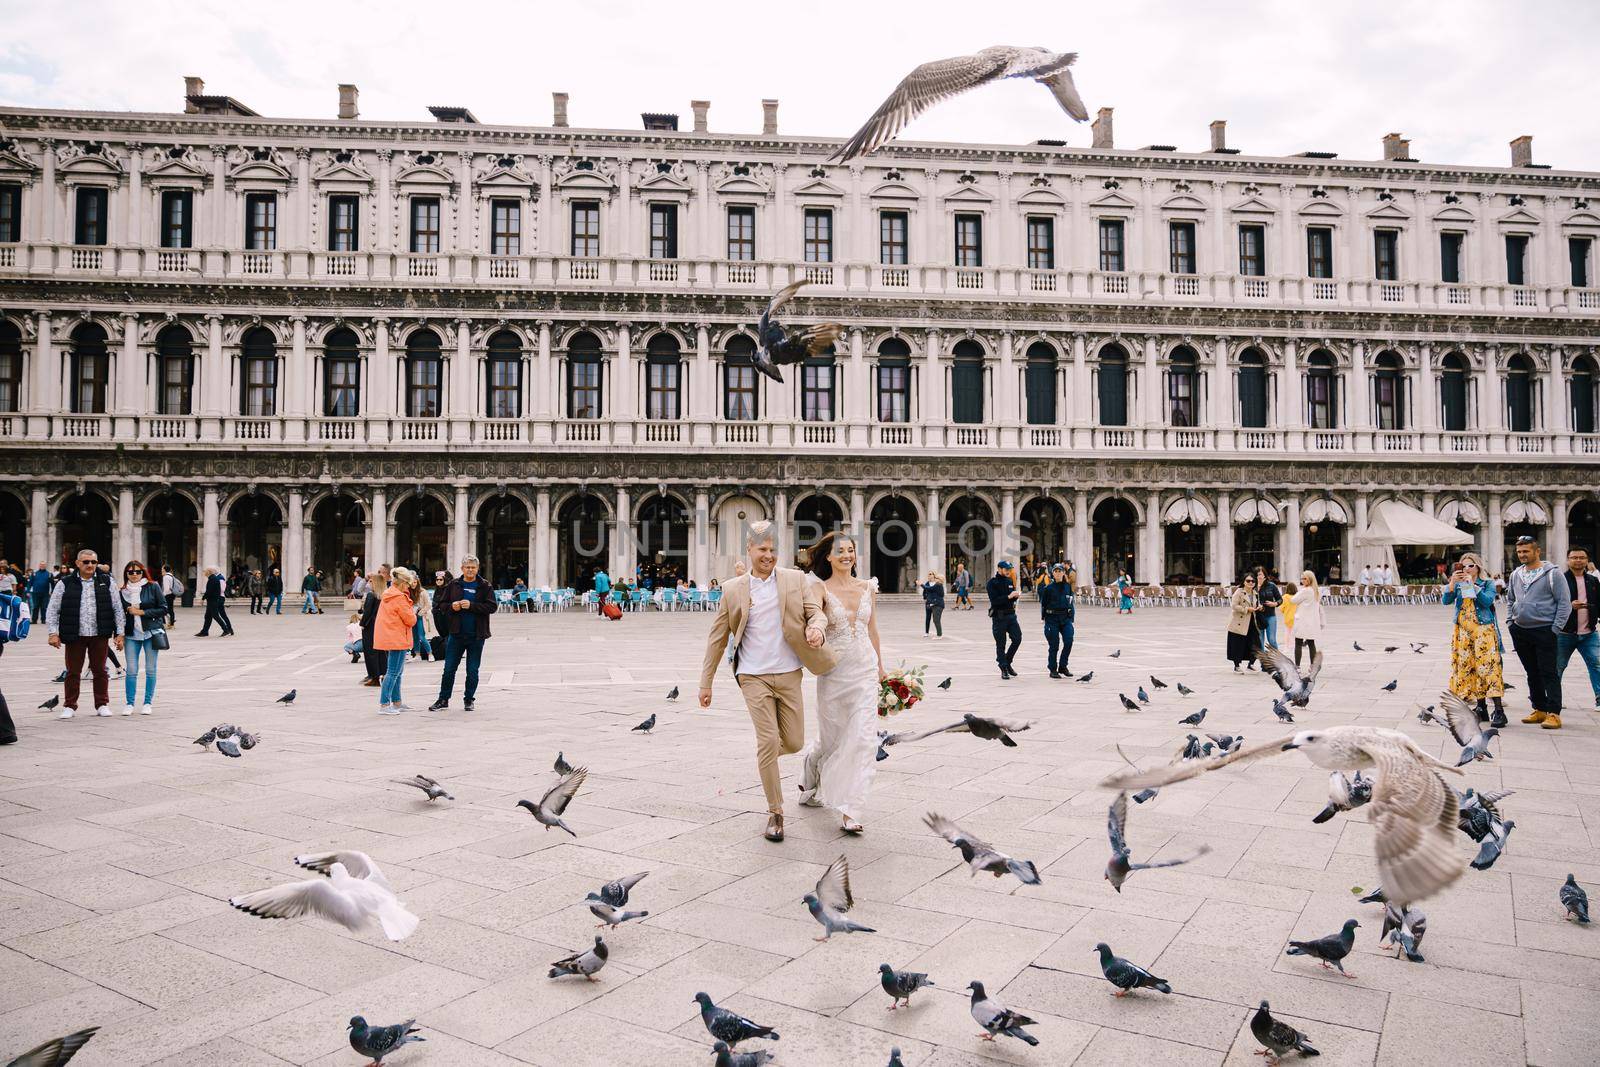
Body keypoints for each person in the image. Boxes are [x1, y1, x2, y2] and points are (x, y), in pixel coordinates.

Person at [698, 522, 834, 843]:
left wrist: (816, 628)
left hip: (788, 673)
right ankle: (776, 812)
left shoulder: (794, 579)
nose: (768, 556)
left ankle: (767, 756)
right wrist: (706, 683)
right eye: (762, 550)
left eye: (772, 550)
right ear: (749, 550)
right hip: (752, 675)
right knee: (768, 740)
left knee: (795, 741)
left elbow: (816, 612)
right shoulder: (733, 589)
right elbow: (718, 639)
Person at [796, 532, 884, 835]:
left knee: (862, 739)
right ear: (829, 557)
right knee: (833, 741)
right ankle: (812, 769)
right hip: (834, 672)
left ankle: (850, 809)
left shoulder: (867, 587)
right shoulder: (819, 588)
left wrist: (882, 670)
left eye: (851, 550)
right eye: (841, 551)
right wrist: (815, 631)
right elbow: (814, 618)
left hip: (865, 669)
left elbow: (872, 630)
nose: (847, 555)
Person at [45, 548, 125, 718]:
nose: (90, 565)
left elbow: (118, 608)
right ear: (78, 563)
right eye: (86, 562)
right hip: (75, 633)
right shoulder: (65, 583)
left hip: (99, 632)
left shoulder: (107, 581)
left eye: (93, 562)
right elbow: (52, 609)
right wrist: (53, 633)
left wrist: (120, 633)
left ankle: (102, 704)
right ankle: (70, 705)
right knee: (73, 671)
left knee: (100, 671)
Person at [1507, 534, 1572, 729]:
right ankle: (1539, 708)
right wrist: (1511, 621)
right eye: (1519, 552)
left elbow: (1564, 603)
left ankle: (1554, 712)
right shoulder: (1515, 574)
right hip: (1520, 630)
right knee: (1531, 672)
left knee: (1548, 672)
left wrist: (1555, 628)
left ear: (1537, 551)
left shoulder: (1553, 573)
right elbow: (1510, 599)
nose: (1522, 555)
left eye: (1526, 551)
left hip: (1545, 629)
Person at [1445, 552, 1507, 727]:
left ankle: (1499, 710)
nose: (1466, 569)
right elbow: (1445, 601)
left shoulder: (1487, 583)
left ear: (1478, 566)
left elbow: (1487, 601)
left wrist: (1474, 586)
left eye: (1470, 565)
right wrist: (1452, 583)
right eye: (1463, 566)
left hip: (1483, 630)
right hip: (1463, 632)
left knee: (1488, 668)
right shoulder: (1459, 584)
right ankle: (1481, 708)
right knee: (1470, 667)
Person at [429, 555, 497, 712]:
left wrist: (472, 606)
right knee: (449, 669)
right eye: (467, 567)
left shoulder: (485, 585)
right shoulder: (454, 584)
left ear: (478, 569)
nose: (470, 570)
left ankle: (469, 699)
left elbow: (492, 607)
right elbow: (442, 605)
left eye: (473, 567)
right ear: (462, 568)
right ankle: (443, 699)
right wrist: (452, 606)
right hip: (456, 634)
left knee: (472, 670)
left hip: (476, 635)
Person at [118, 559, 167, 716]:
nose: (134, 575)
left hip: (151, 633)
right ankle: (129, 703)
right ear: (126, 574)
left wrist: (142, 612)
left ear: (143, 573)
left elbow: (163, 608)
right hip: (131, 634)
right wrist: (118, 634)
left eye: (137, 572)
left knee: (151, 670)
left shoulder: (153, 587)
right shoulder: (122, 591)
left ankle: (147, 702)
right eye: (130, 572)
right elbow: (118, 615)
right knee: (131, 670)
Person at [1557, 546, 1600, 710]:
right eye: (1574, 557)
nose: (1578, 560)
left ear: (1587, 560)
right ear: (1568, 560)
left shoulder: (1593, 580)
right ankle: (1554, 700)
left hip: (1589, 633)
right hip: (1564, 633)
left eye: (1582, 557)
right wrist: (1569, 606)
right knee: (1558, 667)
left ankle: (1599, 698)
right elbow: (1551, 604)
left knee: (1596, 665)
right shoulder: (1560, 580)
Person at [376, 567, 420, 714]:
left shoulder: (389, 594)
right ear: (403, 584)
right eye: (407, 584)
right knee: (393, 672)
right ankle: (384, 704)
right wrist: (413, 611)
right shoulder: (399, 598)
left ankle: (397, 702)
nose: (408, 587)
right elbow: (411, 620)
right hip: (397, 637)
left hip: (391, 636)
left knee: (396, 672)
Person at [1039, 561, 1075, 678]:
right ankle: (1053, 668)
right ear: (1052, 573)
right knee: (1054, 645)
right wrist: (1044, 619)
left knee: (1069, 641)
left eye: (1060, 571)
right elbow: (1043, 604)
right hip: (1052, 619)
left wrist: (1071, 617)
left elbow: (1070, 602)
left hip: (1065, 619)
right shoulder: (1048, 588)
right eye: (1056, 571)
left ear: (1063, 573)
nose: (1058, 573)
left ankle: (1063, 666)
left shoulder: (1067, 586)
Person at [987, 560, 1022, 679]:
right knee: (1001, 644)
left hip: (1011, 615)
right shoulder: (992, 583)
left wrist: (1015, 597)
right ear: (999, 569)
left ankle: (1007, 661)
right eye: (1006, 569)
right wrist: (1008, 597)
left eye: (1009, 569)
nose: (1008, 571)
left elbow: (1010, 600)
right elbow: (995, 601)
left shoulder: (1009, 581)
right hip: (999, 616)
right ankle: (1003, 668)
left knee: (1017, 639)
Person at [1289, 570, 1324, 669]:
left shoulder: (1305, 590)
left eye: (1305, 578)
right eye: (1302, 578)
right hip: (1312, 621)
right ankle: (1312, 666)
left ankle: (1297, 667)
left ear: (1310, 579)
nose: (1302, 580)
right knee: (1311, 643)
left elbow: (1293, 600)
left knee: (1298, 643)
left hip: (1303, 620)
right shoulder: (1316, 591)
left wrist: (1299, 591)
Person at [359, 568, 388, 688]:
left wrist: (362, 623)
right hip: (381, 625)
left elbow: (367, 613)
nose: (369, 583)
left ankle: (374, 676)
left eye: (371, 581)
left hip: (370, 626)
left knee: (370, 652)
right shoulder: (383, 596)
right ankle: (383, 673)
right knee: (381, 651)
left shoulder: (371, 595)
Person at [1227, 573, 1260, 672]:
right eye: (1248, 581)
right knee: (1238, 643)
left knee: (1255, 643)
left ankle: (1251, 664)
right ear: (1244, 582)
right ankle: (1237, 666)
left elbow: (1255, 605)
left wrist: (1258, 607)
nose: (1250, 583)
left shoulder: (1255, 593)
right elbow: (1234, 606)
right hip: (1240, 622)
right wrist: (1246, 609)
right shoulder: (1239, 592)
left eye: (1253, 581)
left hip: (1251, 621)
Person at [194, 567, 234, 637]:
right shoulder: (213, 579)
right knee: (208, 616)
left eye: (205, 572)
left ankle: (226, 630)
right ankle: (204, 631)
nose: (204, 573)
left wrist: (203, 599)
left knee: (216, 616)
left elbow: (209, 591)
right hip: (212, 600)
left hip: (213, 600)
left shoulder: (213, 579)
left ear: (209, 572)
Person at [1255, 567, 1283, 651]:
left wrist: (1275, 603)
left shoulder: (1271, 585)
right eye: (1256, 575)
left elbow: (1280, 599)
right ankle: (1264, 662)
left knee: (1272, 640)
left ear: (1264, 575)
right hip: (1258, 617)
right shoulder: (1252, 586)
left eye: (1260, 574)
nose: (1258, 576)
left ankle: (1277, 660)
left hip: (1270, 616)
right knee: (1260, 641)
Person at [412, 574, 437, 661]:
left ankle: (430, 654)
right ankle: (417, 655)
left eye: (415, 582)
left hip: (421, 617)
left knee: (422, 637)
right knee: (414, 636)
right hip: (412, 616)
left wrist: (420, 613)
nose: (413, 584)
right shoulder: (408, 592)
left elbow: (428, 605)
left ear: (417, 582)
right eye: (411, 582)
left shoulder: (423, 592)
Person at [920, 570, 945, 638]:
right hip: (933, 603)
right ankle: (936, 634)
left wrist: (920, 584)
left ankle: (939, 635)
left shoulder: (938, 585)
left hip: (937, 604)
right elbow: (927, 591)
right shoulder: (938, 585)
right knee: (933, 619)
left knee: (936, 620)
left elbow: (930, 589)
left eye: (936, 578)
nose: (935, 579)